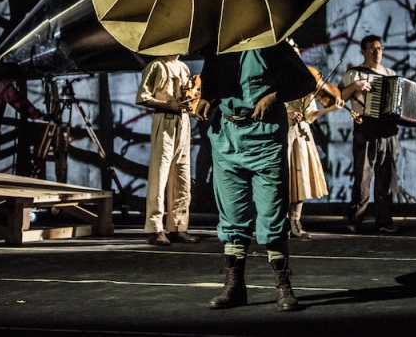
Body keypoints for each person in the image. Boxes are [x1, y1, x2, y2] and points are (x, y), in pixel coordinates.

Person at [195, 42, 316, 312]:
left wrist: (274, 95)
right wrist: (206, 98)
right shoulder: (218, 45)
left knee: (272, 214)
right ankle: (234, 285)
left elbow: (306, 81)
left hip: (266, 139)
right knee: (232, 216)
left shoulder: (273, 43)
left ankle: (282, 285)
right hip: (227, 138)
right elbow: (211, 81)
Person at [339, 35, 416, 234]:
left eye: (379, 48)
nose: (377, 52)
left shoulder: (390, 74)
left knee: (386, 181)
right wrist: (355, 87)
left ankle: (384, 221)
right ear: (364, 51)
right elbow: (337, 99)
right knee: (362, 180)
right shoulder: (353, 74)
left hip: (388, 132)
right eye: (372, 49)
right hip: (365, 130)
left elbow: (402, 107)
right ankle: (355, 221)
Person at [136, 55, 199, 246]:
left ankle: (178, 227)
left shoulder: (184, 67)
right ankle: (155, 229)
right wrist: (167, 104)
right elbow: (143, 97)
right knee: (159, 175)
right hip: (165, 120)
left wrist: (193, 97)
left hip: (183, 121)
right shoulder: (156, 66)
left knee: (182, 176)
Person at [285, 39, 345, 239]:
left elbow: (310, 115)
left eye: (297, 51)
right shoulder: (278, 77)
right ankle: (280, 224)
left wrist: (330, 108)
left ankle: (295, 223)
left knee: (300, 180)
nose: (296, 55)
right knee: (283, 181)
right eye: (291, 52)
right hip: (284, 134)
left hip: (302, 136)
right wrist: (288, 115)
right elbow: (269, 107)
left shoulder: (306, 79)